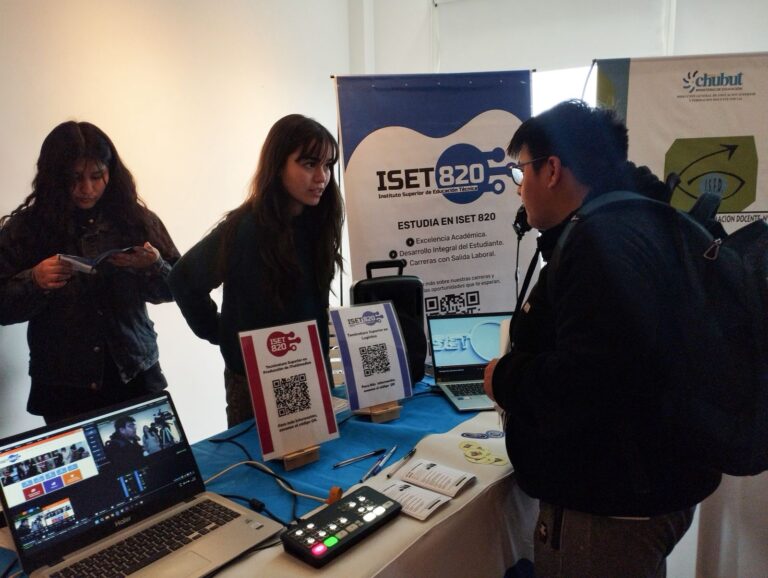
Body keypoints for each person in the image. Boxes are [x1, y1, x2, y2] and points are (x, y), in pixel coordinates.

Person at [483, 100, 722, 578]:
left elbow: (587, 383)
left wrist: (504, 377)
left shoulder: (600, 244)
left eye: (521, 171)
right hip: (652, 486)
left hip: (609, 506)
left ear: (552, 170)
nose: (519, 188)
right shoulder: (639, 221)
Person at [170, 114, 344, 427]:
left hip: (309, 372)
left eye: (328, 165)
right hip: (255, 384)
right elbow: (183, 280)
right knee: (260, 459)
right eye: (309, 164)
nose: (322, 177)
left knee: (315, 455)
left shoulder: (317, 223)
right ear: (278, 165)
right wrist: (221, 333)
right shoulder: (245, 228)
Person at [0, 121, 180, 424]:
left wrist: (154, 266)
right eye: (74, 178)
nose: (87, 189)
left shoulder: (135, 220)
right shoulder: (27, 228)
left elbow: (179, 288)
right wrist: (35, 280)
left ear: (111, 171)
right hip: (63, 383)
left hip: (134, 371)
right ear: (54, 177)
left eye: (97, 176)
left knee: (156, 453)